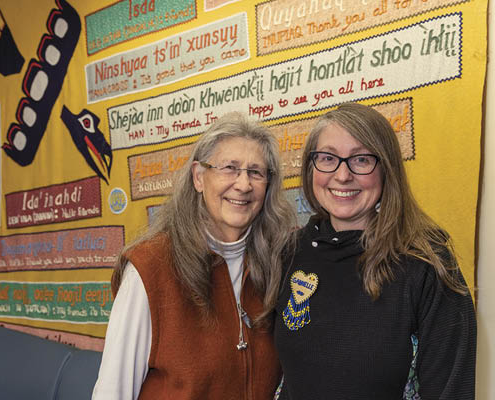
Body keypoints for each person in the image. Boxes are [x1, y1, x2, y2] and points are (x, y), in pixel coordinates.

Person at [274, 102, 476, 399]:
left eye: (361, 159)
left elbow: (450, 390)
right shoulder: (289, 253)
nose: (342, 176)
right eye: (328, 158)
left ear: (386, 168)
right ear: (310, 167)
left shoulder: (426, 261)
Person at [92, 112, 295, 399]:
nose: (243, 184)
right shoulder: (151, 267)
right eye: (229, 168)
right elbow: (113, 392)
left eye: (256, 172)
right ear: (199, 177)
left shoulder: (277, 264)